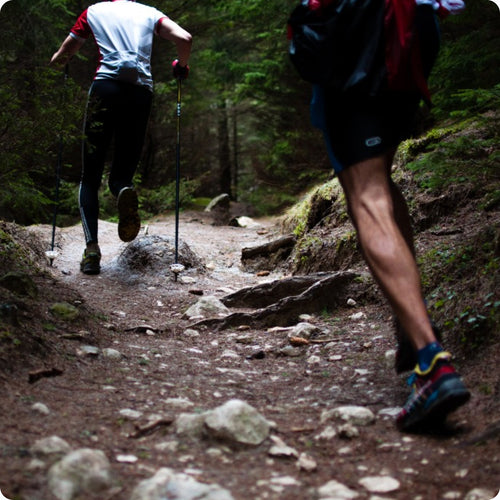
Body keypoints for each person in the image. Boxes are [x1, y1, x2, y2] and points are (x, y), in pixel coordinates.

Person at [308, 0, 470, 431]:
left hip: (359, 26)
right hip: (417, 27)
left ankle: (432, 363)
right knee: (379, 178)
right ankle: (409, 324)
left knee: (367, 195)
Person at [50, 0, 192, 275]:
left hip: (105, 88)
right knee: (121, 176)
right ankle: (123, 190)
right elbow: (184, 37)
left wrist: (58, 62)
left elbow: (69, 49)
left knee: (90, 176)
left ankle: (92, 252)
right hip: (140, 93)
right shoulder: (150, 13)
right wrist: (181, 66)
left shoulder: (94, 11)